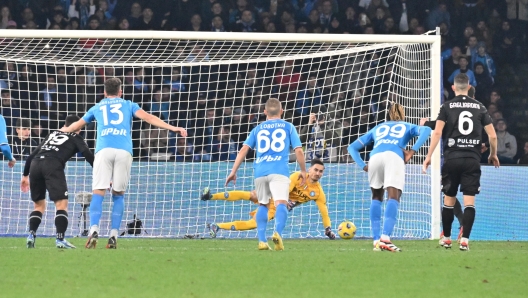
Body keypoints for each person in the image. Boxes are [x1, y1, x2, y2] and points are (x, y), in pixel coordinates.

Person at [63, 78, 187, 249]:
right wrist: (173, 128)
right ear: (120, 92)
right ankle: (113, 235)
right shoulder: (129, 105)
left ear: (104, 93)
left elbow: (77, 125)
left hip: (103, 150)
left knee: (98, 192)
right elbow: (149, 118)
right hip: (124, 151)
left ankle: (94, 229)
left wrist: (58, 132)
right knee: (118, 195)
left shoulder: (98, 106)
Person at [423, 73, 500, 251]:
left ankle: (447, 238)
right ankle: (464, 240)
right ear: (469, 86)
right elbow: (493, 136)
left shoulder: (447, 106)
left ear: (453, 88)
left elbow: (437, 132)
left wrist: (428, 156)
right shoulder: (480, 107)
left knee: (448, 201)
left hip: (452, 158)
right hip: (472, 159)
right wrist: (493, 154)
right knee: (469, 203)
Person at [225, 98, 307, 251]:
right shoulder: (289, 127)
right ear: (282, 111)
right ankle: (278, 233)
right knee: (281, 203)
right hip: (279, 170)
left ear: (265, 112)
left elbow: (243, 150)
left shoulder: (257, 129)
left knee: (263, 204)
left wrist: (233, 171)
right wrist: (303, 170)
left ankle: (262, 241)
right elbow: (299, 150)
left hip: (260, 172)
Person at [348, 103, 431, 252]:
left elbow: (352, 147)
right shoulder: (407, 125)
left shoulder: (378, 128)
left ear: (388, 115)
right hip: (394, 156)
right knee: (393, 196)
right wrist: (412, 151)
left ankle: (376, 240)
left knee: (376, 196)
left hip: (374, 157)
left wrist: (363, 165)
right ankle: (386, 238)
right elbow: (426, 130)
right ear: (403, 114)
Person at [202, 159, 334, 239]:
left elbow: (324, 212)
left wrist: (328, 228)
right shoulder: (297, 177)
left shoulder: (318, 192)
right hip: (274, 195)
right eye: (316, 170)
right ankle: (211, 196)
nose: (318, 173)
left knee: (253, 224)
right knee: (252, 195)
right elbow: (285, 190)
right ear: (309, 169)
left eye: (321, 171)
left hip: (275, 207)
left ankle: (217, 226)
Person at [21, 115, 94, 249]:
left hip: (35, 164)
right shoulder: (75, 137)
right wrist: (101, 173)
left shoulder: (52, 134)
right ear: (77, 126)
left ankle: (31, 235)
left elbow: (31, 155)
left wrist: (25, 175)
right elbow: (87, 154)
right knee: (61, 204)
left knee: (38, 206)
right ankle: (60, 239)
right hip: (52, 164)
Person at [419, 86, 479, 242]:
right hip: (471, 160)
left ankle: (450, 231)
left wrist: (428, 124)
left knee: (447, 194)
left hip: (453, 158)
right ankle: (461, 228)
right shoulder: (478, 111)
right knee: (461, 199)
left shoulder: (452, 108)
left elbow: (443, 126)